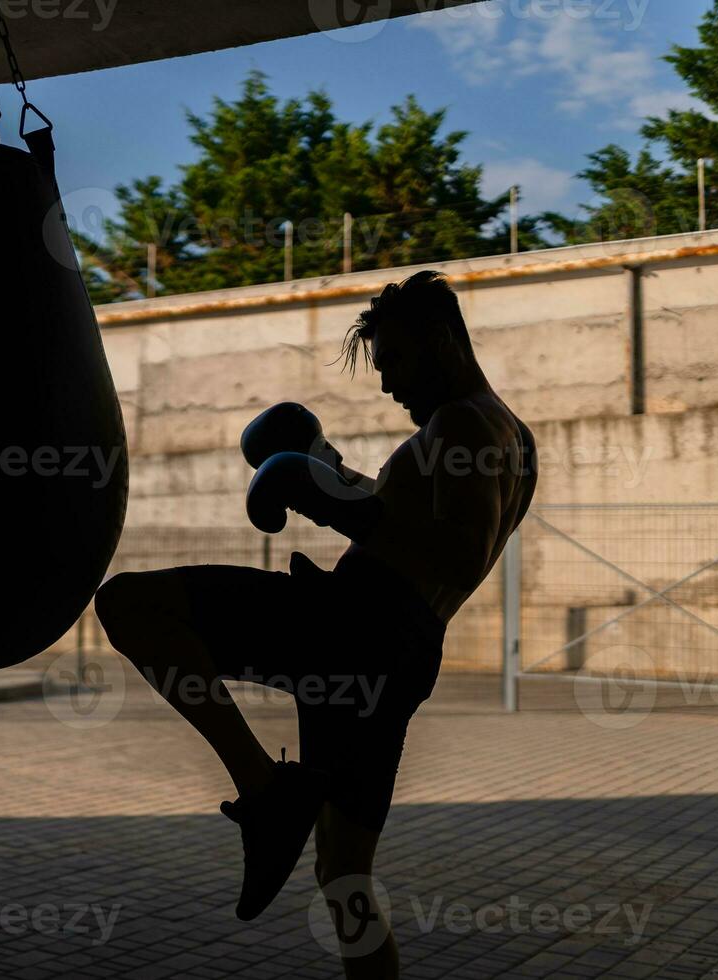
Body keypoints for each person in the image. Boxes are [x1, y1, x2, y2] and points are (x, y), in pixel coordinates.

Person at [94, 271, 537, 978]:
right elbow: (413, 516)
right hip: (395, 658)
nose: (389, 386)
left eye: (394, 363)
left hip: (354, 627)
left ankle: (265, 789)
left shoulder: (464, 423)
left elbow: (462, 551)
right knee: (342, 876)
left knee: (130, 604)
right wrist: (331, 473)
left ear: (440, 341)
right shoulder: (511, 436)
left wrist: (322, 498)